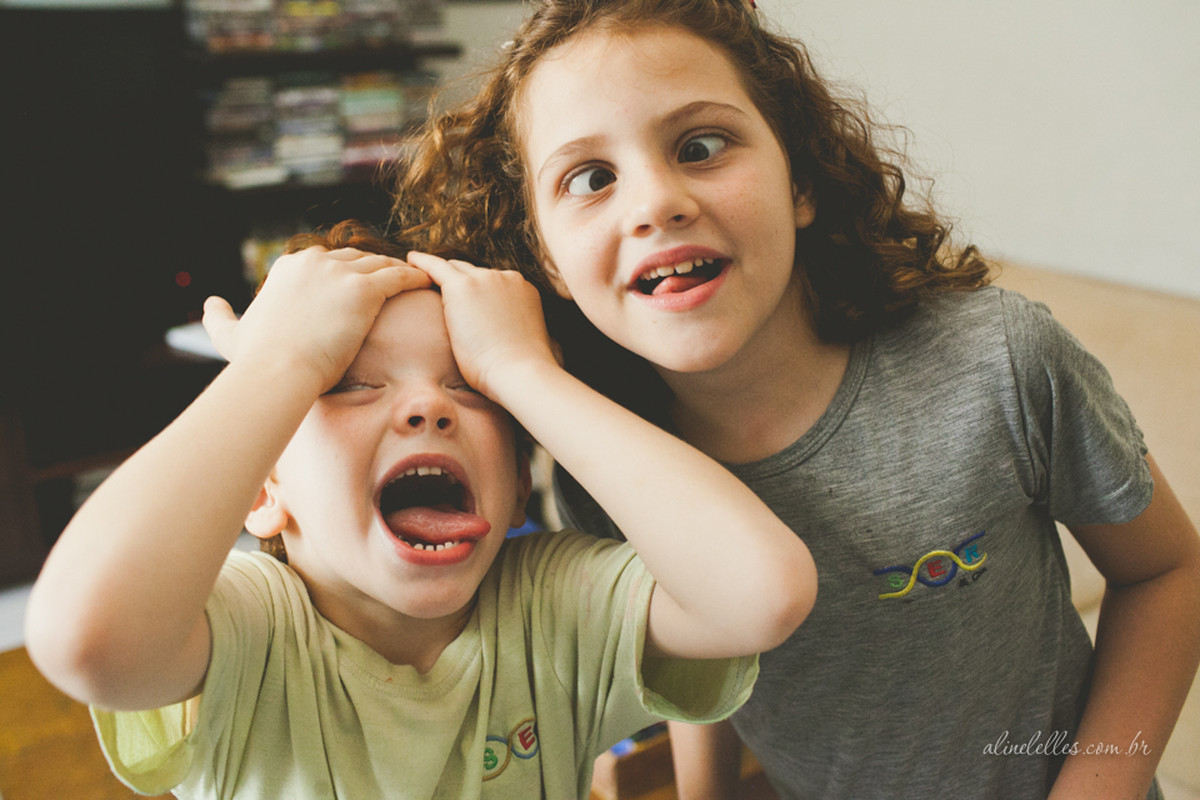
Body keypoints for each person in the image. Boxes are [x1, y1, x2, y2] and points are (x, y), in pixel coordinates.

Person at [388, 1, 1200, 797]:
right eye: (591, 178)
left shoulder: (997, 360)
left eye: (701, 146)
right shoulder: (608, 462)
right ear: (549, 263)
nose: (656, 203)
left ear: (801, 181)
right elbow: (702, 644)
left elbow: (1170, 571)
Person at [23, 221, 818, 799]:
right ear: (262, 491)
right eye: (350, 383)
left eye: (471, 389)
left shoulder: (556, 607)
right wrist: (280, 362)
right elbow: (84, 638)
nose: (426, 411)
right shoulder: (249, 631)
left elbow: (763, 592)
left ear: (513, 482)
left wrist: (521, 367)